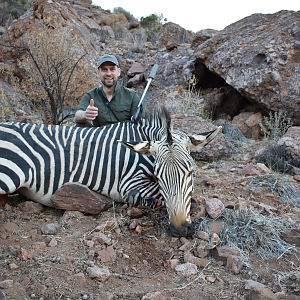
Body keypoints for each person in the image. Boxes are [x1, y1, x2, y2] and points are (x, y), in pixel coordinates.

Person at [74, 54, 141, 127]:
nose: (108, 74)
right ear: (98, 73)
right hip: (99, 136)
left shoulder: (131, 95)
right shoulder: (90, 95)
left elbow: (142, 121)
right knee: (80, 125)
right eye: (104, 70)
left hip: (123, 136)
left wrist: (138, 120)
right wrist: (85, 114)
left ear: (118, 72)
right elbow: (77, 116)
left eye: (112, 69)